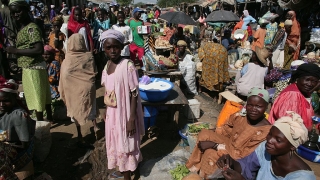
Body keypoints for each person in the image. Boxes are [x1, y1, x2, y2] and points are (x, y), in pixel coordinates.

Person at [186, 87, 271, 178]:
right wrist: (214, 132)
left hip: (238, 159)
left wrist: (215, 145)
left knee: (210, 154)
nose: (253, 109)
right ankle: (195, 167)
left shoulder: (265, 132)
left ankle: (205, 176)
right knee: (204, 134)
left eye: (258, 106)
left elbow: (243, 156)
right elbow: (226, 130)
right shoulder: (242, 116)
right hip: (230, 144)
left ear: (266, 107)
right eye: (250, 105)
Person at [217, 112, 315, 180]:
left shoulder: (302, 177)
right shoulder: (265, 149)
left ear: (292, 147)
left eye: (278, 140)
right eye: (270, 134)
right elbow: (247, 166)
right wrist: (231, 162)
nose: (269, 140)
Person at [100, 29, 144, 180]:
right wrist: (106, 110)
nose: (113, 50)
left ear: (121, 47)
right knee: (116, 142)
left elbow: (134, 93)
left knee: (127, 143)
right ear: (104, 49)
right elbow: (108, 91)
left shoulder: (128, 65)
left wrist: (131, 118)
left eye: (116, 47)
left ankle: (128, 175)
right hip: (112, 113)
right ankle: (129, 170)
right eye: (108, 47)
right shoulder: (106, 66)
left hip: (125, 113)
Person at [6, 0, 53, 122]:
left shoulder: (31, 28)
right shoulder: (24, 28)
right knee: (43, 94)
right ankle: (49, 118)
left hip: (33, 68)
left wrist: (15, 51)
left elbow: (38, 49)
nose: (16, 15)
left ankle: (41, 125)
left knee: (37, 96)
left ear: (26, 10)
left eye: (18, 11)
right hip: (31, 68)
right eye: (13, 13)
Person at [59, 34, 101, 146]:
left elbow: (64, 75)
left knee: (75, 110)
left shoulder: (67, 59)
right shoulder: (89, 56)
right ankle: (96, 127)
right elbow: (94, 72)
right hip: (88, 88)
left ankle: (79, 134)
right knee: (91, 107)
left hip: (72, 90)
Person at [0, 76, 36, 179]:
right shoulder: (3, 112)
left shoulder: (18, 115)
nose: (1, 105)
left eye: (6, 101)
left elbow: (24, 144)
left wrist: (4, 143)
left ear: (15, 99)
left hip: (19, 151)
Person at [269, 63, 320, 129]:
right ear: (298, 78)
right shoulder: (292, 95)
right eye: (307, 80)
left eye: (314, 81)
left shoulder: (303, 93)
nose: (310, 84)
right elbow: (288, 125)